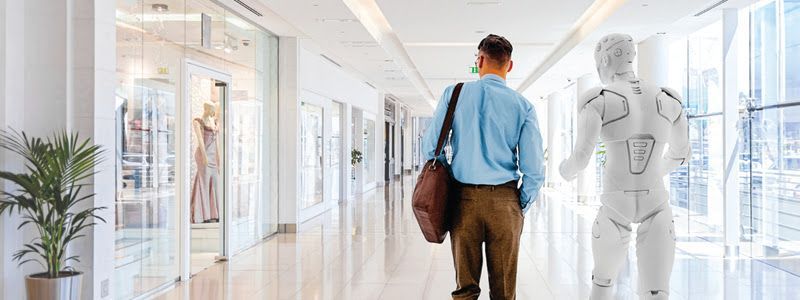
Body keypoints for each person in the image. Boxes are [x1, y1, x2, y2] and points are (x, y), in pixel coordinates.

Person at [558, 33, 689, 299]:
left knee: (603, 283)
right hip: (656, 201)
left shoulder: (598, 99)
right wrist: (653, 174)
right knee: (657, 291)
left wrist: (563, 171)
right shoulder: (668, 99)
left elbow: (581, 157)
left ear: (604, 60)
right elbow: (681, 154)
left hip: (615, 204)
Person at [422, 34, 545, 300]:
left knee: (465, 289)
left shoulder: (454, 94)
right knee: (503, 290)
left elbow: (432, 148)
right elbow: (534, 168)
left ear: (479, 60)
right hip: (505, 200)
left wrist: (449, 179)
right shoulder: (523, 106)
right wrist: (518, 202)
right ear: (509, 65)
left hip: (463, 199)